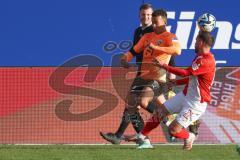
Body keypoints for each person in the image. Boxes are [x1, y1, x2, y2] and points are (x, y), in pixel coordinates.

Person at [100, 8, 181, 144]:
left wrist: (159, 50)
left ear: (164, 22)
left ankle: (169, 124)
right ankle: (143, 140)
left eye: (156, 22)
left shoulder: (170, 36)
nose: (153, 25)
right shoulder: (145, 35)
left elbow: (177, 51)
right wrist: (126, 58)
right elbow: (134, 49)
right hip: (142, 75)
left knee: (143, 102)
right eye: (152, 21)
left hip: (157, 77)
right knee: (131, 105)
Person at [135, 31, 216, 150]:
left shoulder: (205, 60)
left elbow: (185, 73)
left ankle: (190, 136)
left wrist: (164, 66)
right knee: (159, 112)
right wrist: (176, 82)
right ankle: (142, 136)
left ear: (201, 42)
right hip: (185, 96)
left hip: (195, 104)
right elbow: (193, 78)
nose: (194, 43)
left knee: (173, 130)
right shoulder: (200, 56)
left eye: (196, 41)